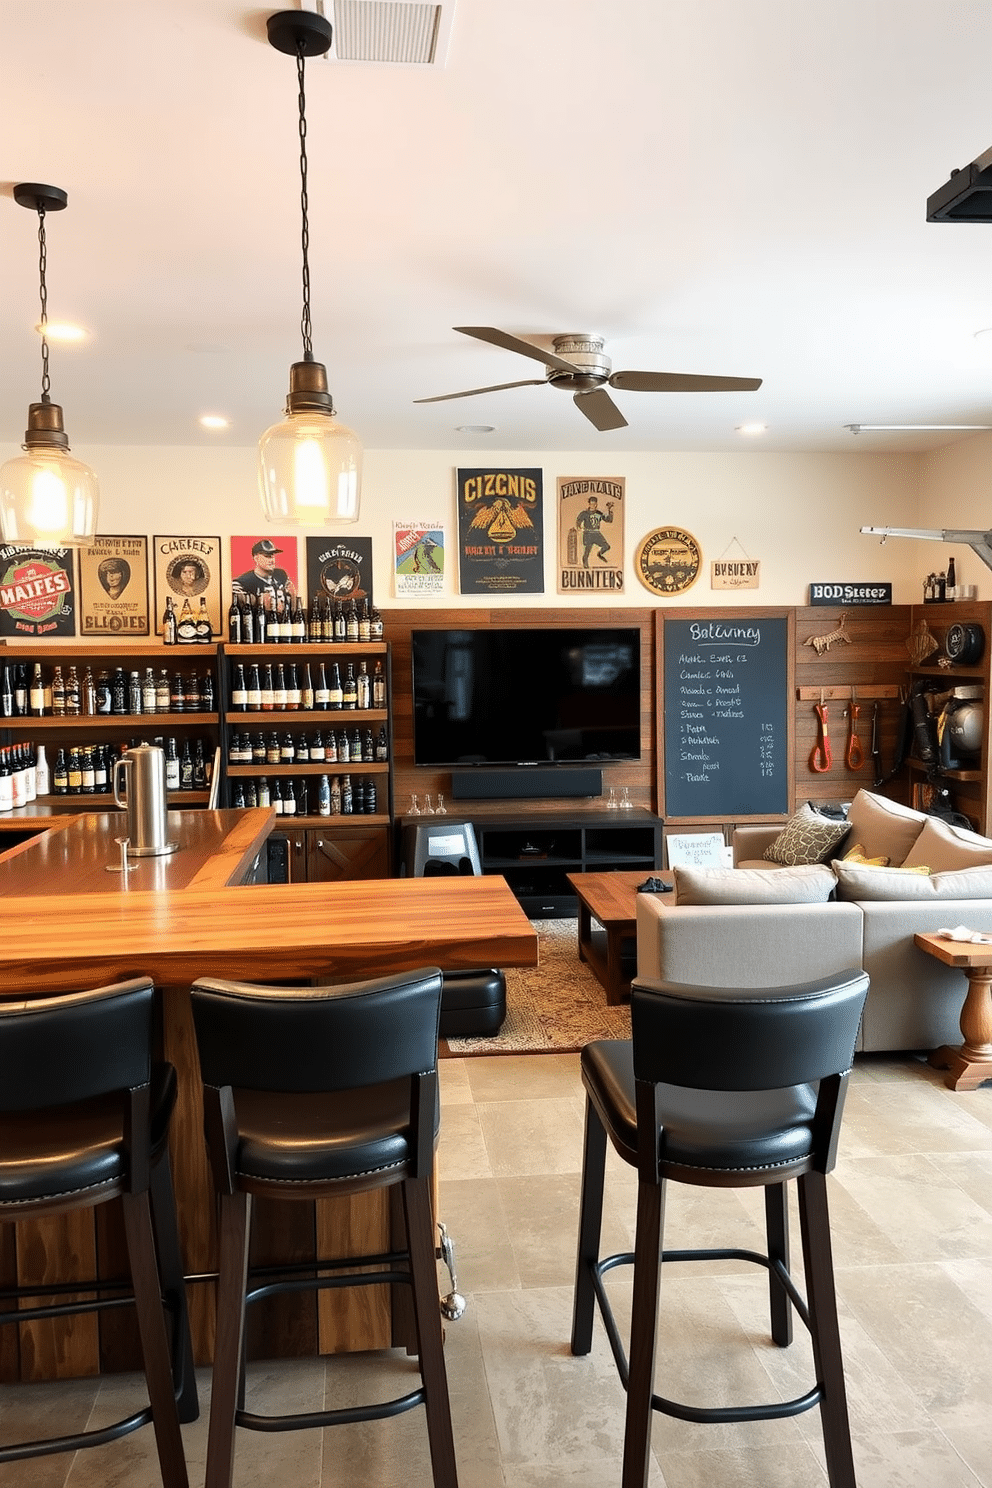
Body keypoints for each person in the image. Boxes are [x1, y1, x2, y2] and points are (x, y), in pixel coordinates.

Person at [233, 539, 297, 602]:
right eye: (267, 556)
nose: (271, 560)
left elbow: (292, 597)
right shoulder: (242, 582)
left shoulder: (281, 575)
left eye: (272, 556)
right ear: (256, 558)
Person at [574, 496, 614, 567]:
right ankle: (585, 566)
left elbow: (609, 520)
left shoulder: (599, 513)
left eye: (594, 504)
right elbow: (578, 520)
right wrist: (579, 527)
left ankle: (599, 554)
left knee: (606, 546)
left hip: (596, 533)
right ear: (589, 504)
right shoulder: (584, 513)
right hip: (588, 534)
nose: (593, 506)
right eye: (591, 504)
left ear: (596, 504)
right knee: (587, 551)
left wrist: (610, 510)